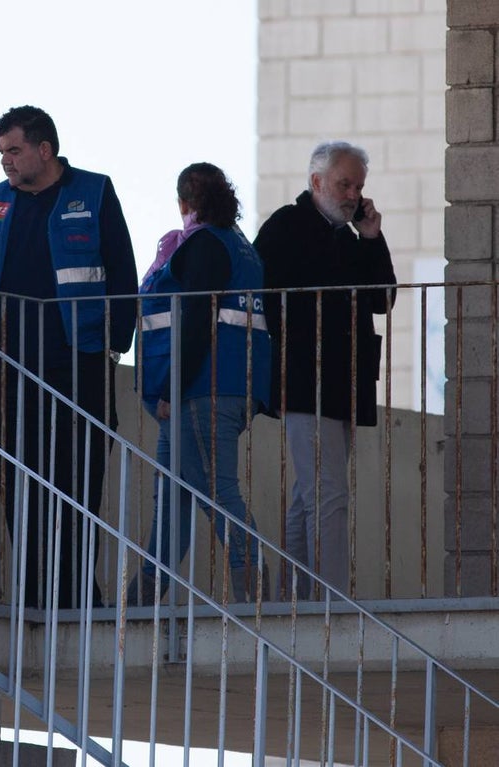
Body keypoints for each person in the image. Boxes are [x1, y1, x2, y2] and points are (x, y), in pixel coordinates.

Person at [0, 105, 138, 609]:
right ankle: (39, 592)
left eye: (13, 150)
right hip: (8, 369)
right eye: (1, 151)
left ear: (45, 150)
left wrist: (113, 347)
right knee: (16, 483)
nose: (5, 160)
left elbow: (122, 272)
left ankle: (77, 592)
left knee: (79, 481)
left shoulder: (95, 190)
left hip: (78, 361)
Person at [255, 141, 396, 598]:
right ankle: (332, 603)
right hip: (304, 380)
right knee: (328, 494)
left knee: (308, 495)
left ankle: (292, 599)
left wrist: (373, 237)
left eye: (358, 186)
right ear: (316, 182)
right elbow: (263, 302)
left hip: (345, 383)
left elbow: (383, 299)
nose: (352, 193)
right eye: (344, 183)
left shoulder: (351, 238)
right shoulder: (285, 226)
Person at [130, 163, 271, 605]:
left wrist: (171, 388)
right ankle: (142, 603)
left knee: (216, 490)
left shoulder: (204, 245)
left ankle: (257, 599)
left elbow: (195, 322)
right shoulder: (240, 246)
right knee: (171, 499)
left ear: (184, 203)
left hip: (201, 389)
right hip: (227, 385)